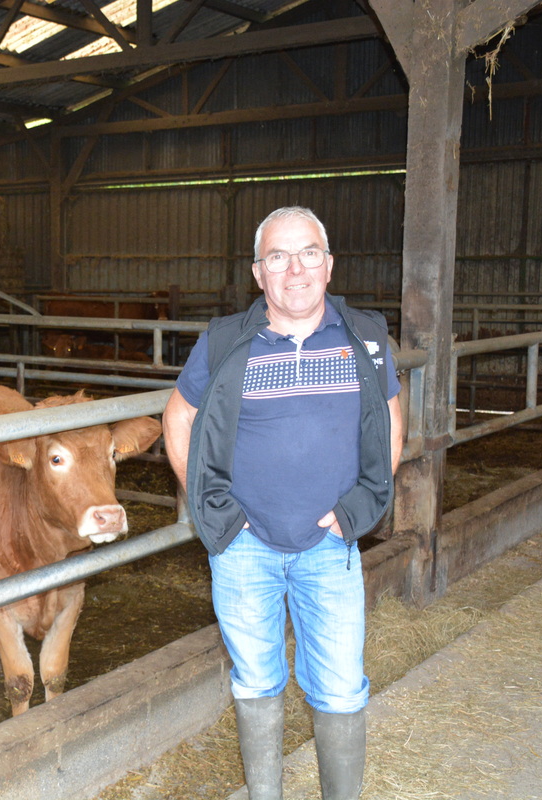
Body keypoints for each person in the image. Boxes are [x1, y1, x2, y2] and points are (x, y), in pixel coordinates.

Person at [162, 206, 403, 800]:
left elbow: (391, 418)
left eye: (307, 254)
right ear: (258, 273)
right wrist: (215, 510)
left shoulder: (365, 337)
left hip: (330, 544)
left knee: (343, 686)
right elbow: (179, 416)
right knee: (256, 680)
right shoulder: (224, 343)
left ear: (328, 264)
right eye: (278, 257)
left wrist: (360, 507)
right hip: (245, 548)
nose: (295, 269)